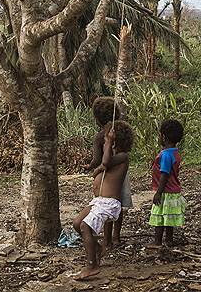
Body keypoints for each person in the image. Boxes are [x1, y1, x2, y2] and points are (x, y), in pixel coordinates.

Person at [72, 121, 133, 281]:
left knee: (86, 226)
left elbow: (105, 162)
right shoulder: (113, 158)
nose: (104, 143)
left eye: (106, 140)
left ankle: (92, 265)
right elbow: (101, 168)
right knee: (77, 223)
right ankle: (97, 248)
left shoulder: (122, 157)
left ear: (115, 142)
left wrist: (109, 142)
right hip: (98, 201)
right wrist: (98, 169)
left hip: (109, 203)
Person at [85, 97, 132, 248]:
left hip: (107, 178)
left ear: (97, 118)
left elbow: (99, 160)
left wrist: (91, 166)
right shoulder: (121, 129)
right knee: (117, 205)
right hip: (121, 175)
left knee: (105, 206)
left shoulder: (100, 136)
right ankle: (116, 237)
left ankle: (107, 239)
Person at [148, 118, 186, 249]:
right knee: (168, 218)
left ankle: (157, 241)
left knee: (159, 217)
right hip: (174, 191)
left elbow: (164, 174)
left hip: (165, 192)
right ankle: (169, 240)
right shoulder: (175, 152)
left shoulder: (165, 155)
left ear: (164, 137)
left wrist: (158, 192)